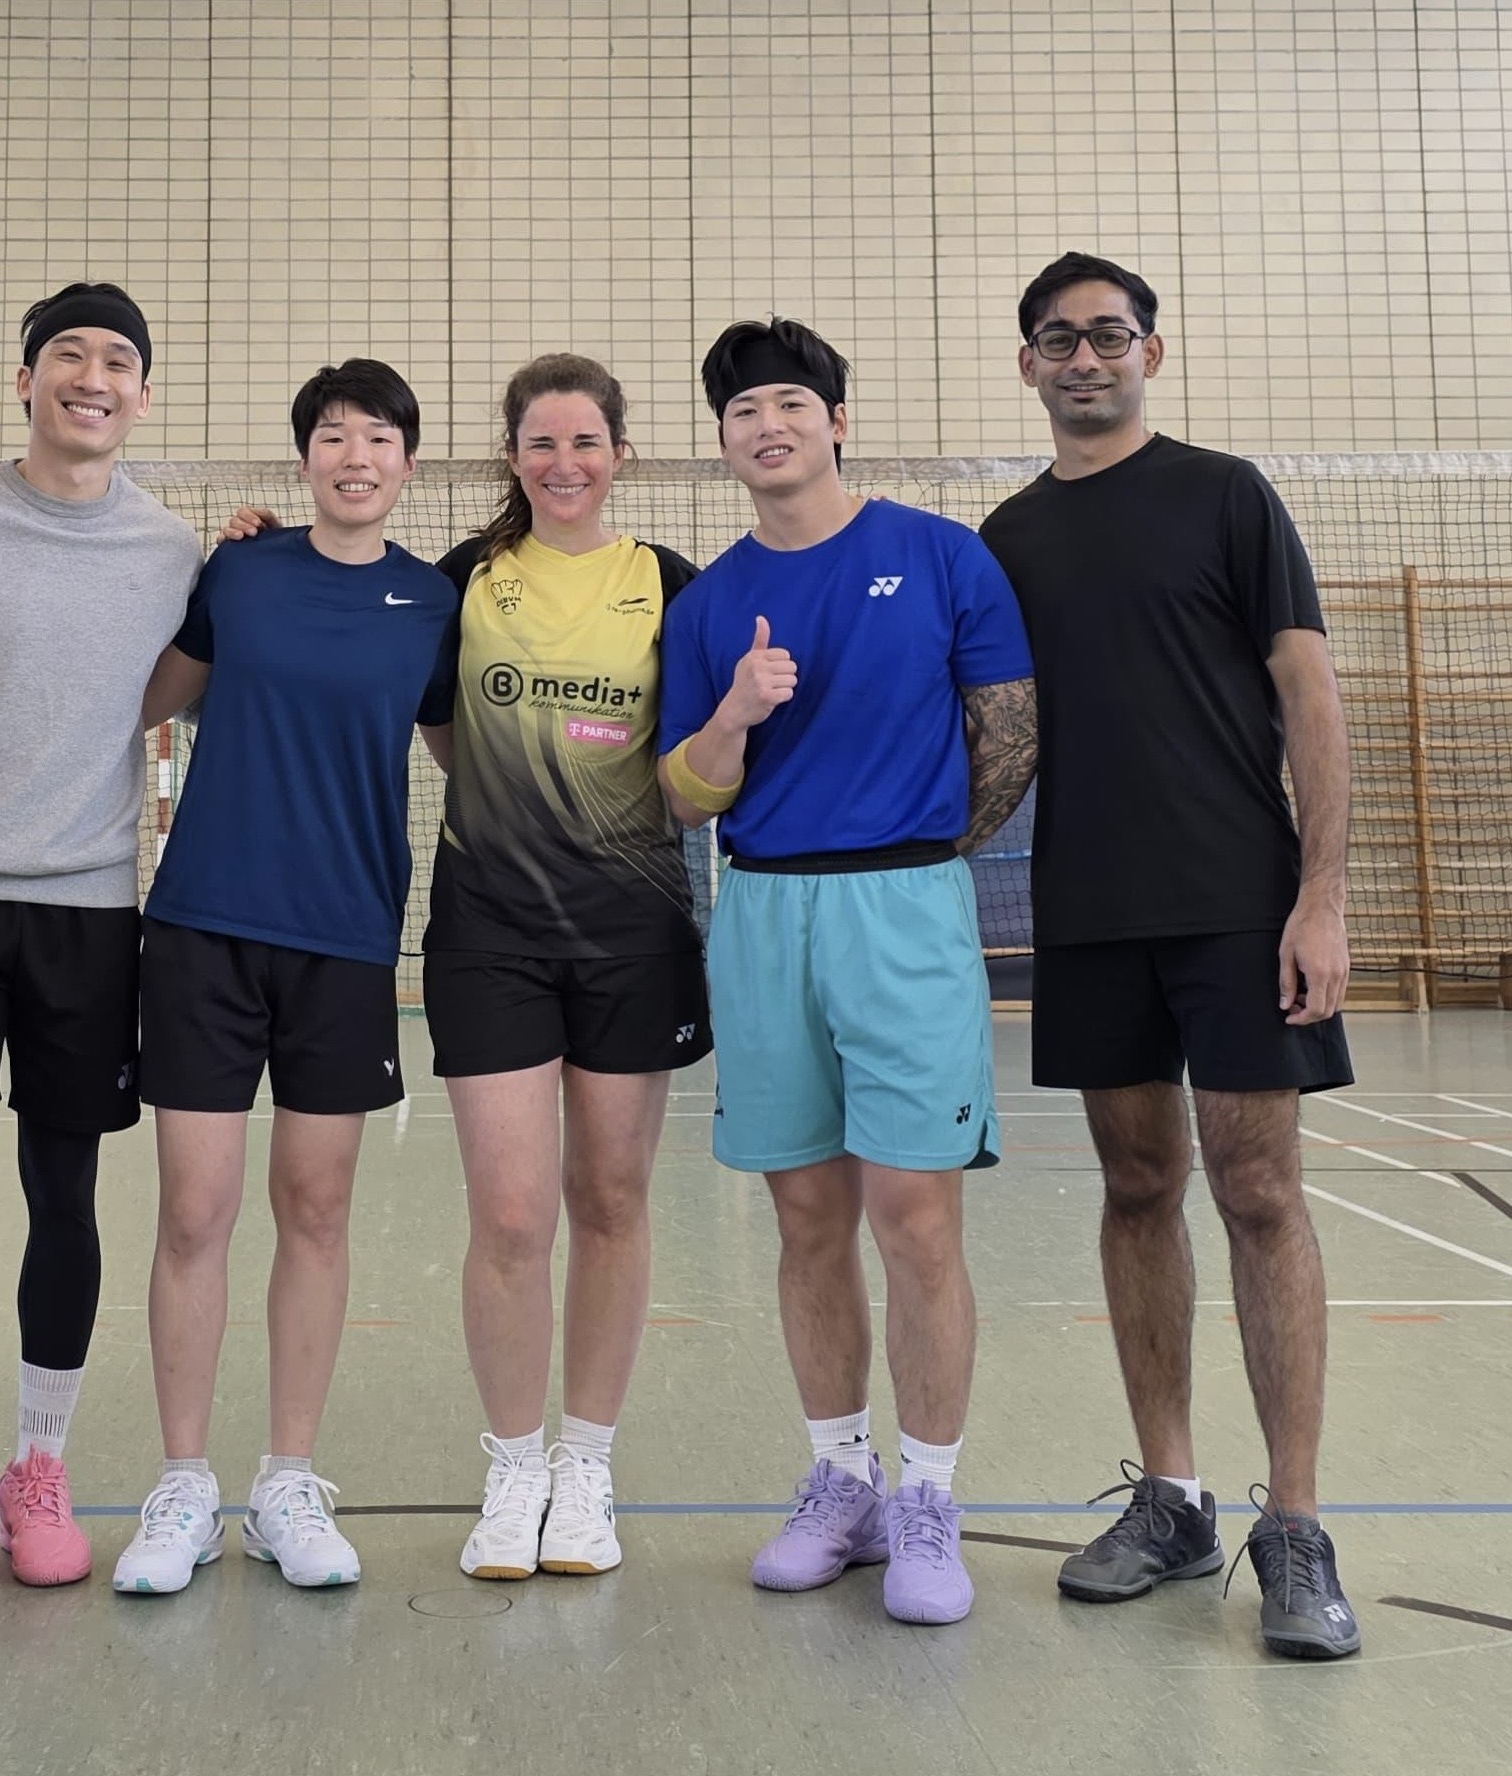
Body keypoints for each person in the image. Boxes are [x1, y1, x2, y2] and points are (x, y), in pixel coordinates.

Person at [978, 252, 1360, 1659]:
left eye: (1108, 334)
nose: (1083, 357)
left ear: (1150, 350)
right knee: (1138, 1186)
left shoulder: (1225, 497)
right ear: (1027, 363)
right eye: (1057, 338)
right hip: (1088, 911)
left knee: (1258, 1190)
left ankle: (1295, 1526)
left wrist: (1320, 896)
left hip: (1235, 904)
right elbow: (991, 735)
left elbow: (1307, 692)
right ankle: (1172, 1498)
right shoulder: (1007, 537)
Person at [658, 317, 1036, 1627]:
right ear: (722, 441)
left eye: (788, 402)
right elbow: (684, 795)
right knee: (805, 1219)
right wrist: (734, 713)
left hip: (902, 906)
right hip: (763, 912)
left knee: (915, 1218)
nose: (766, 425)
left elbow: (1007, 737)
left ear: (835, 421)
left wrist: (911, 854)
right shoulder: (709, 604)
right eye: (741, 410)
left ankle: (927, 1497)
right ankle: (841, 1480)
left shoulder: (939, 557)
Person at [109, 360, 459, 1596]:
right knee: (193, 1213)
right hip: (203, 929)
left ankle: (287, 1483)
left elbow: (467, 754)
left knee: (315, 1210)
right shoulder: (240, 573)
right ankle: (182, 1486)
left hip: (346, 940)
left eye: (378, 438)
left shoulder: (433, 602)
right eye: (333, 436)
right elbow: (145, 700)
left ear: (407, 462)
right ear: (304, 458)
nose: (355, 456)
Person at [0, 283, 201, 1613]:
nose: (92, 375)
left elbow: (212, 671)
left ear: (141, 396)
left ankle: (39, 1473)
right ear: (26, 381)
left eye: (117, 359)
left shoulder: (175, 553)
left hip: (86, 915)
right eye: (68, 353)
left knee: (66, 1201)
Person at [426, 355, 711, 1582]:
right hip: (489, 934)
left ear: (618, 454)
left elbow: (694, 758)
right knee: (507, 1215)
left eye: (585, 441)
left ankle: (584, 1464)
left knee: (610, 1200)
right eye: (540, 443)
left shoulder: (670, 586)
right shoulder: (464, 581)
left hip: (631, 934)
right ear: (513, 457)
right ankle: (512, 1469)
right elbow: (438, 721)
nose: (563, 463)